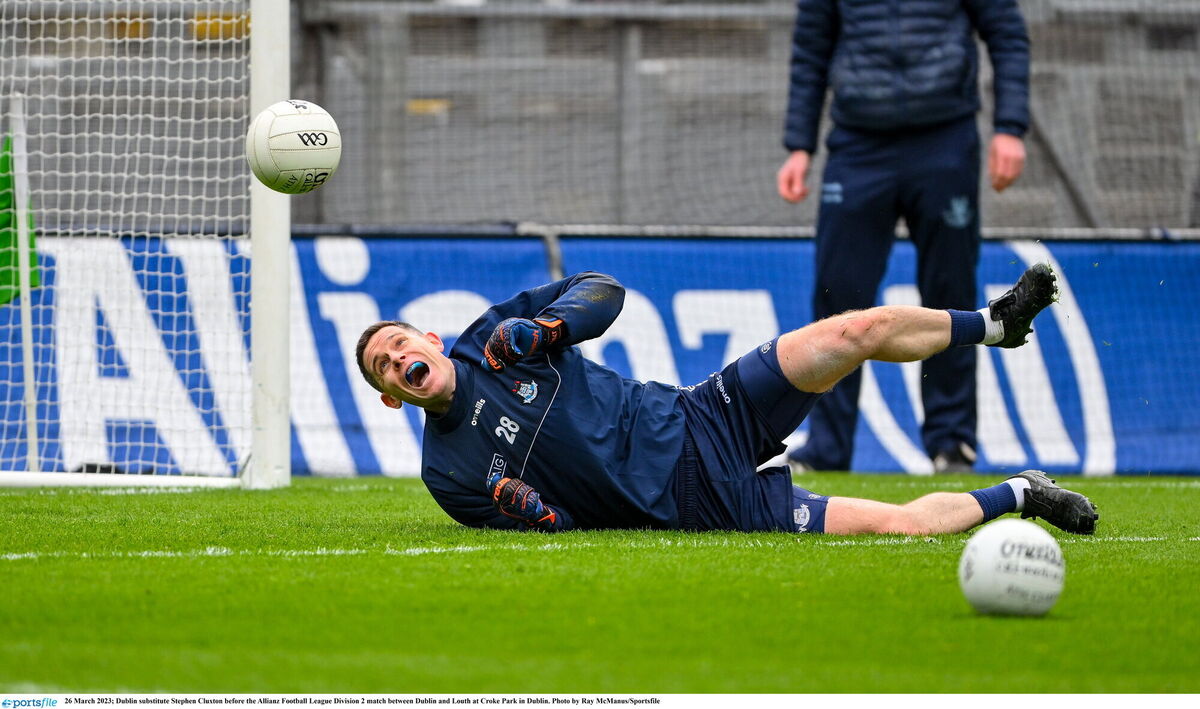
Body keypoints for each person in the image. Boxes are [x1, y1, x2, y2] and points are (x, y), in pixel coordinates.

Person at [354, 268, 1097, 536]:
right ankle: (1024, 493)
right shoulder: (448, 476)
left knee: (857, 328)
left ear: (426, 335)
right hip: (703, 506)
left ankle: (996, 324)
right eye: (384, 368)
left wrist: (550, 325)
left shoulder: (493, 334)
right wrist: (536, 513)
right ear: (392, 398)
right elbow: (564, 526)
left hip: (702, 414)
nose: (397, 358)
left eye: (397, 343)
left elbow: (604, 290)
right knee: (900, 525)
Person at [777, 0, 1031, 473]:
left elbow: (1007, 33)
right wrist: (799, 144)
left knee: (949, 292)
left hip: (946, 139)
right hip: (857, 143)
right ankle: (828, 447)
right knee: (838, 297)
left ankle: (952, 444)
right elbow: (811, 48)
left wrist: (1010, 127)